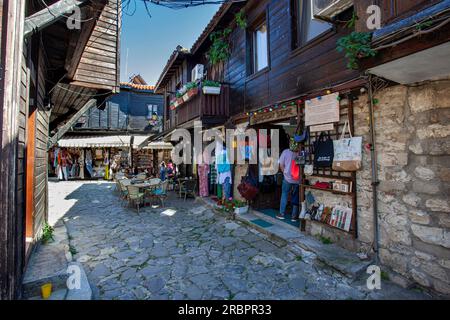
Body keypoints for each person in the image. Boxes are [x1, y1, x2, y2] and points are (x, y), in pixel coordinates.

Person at [277, 137, 301, 221]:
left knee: (284, 194)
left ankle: (281, 214)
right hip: (297, 179)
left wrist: (285, 172)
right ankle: (294, 216)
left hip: (287, 178)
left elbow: (281, 165)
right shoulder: (300, 152)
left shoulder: (285, 152)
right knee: (296, 196)